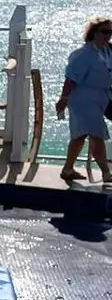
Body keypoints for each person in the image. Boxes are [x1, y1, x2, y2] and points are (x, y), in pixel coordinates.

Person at [55, 16, 112, 187]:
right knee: (96, 134)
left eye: (110, 32)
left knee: (80, 136)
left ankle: (67, 169)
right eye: (104, 32)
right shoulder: (84, 54)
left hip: (100, 99)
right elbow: (70, 78)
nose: (108, 35)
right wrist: (63, 98)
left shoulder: (108, 51)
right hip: (82, 100)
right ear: (93, 33)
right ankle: (106, 172)